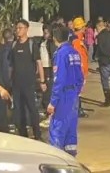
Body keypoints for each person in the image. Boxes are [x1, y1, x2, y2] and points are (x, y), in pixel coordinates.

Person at [48, 23, 85, 157]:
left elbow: (59, 79)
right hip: (74, 95)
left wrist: (53, 102)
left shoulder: (60, 54)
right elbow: (80, 76)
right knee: (71, 128)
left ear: (55, 38)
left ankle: (56, 158)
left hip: (63, 95)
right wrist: (76, 92)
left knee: (57, 129)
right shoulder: (74, 52)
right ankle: (71, 158)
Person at [10, 19, 45, 140]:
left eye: (20, 28)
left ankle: (37, 135)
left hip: (29, 84)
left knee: (32, 109)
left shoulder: (31, 44)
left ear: (26, 29)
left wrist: (42, 80)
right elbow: (11, 65)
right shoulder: (14, 45)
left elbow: (39, 63)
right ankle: (23, 136)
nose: (17, 30)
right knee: (18, 111)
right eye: (17, 28)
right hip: (16, 84)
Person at [70, 17, 90, 117]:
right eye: (83, 27)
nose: (85, 29)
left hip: (81, 70)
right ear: (80, 28)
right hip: (79, 71)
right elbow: (78, 57)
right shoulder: (76, 41)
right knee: (77, 91)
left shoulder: (78, 39)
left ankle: (78, 109)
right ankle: (77, 110)